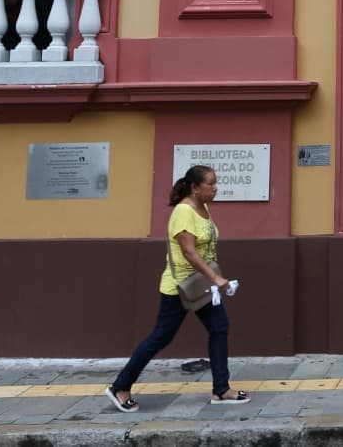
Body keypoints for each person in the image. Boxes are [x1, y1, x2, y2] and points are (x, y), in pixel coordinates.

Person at [105, 165, 250, 411]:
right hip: (181, 287)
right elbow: (189, 251)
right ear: (194, 188)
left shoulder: (202, 207)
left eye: (216, 183)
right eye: (210, 184)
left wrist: (211, 279)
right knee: (161, 337)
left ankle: (221, 389)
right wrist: (215, 278)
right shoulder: (184, 211)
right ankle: (120, 386)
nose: (215, 188)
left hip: (201, 285)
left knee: (219, 327)